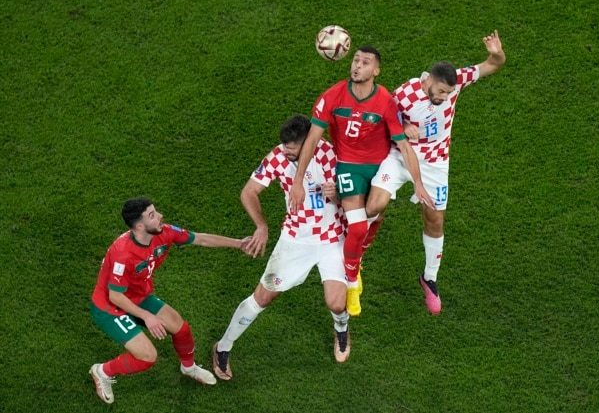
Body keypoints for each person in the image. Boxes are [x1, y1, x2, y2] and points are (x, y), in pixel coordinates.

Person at [364, 30, 506, 315]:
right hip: (401, 154)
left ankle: (429, 278)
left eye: (448, 93)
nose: (444, 97)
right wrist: (402, 129)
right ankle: (354, 257)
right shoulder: (404, 94)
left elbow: (494, 65)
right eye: (440, 91)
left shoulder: (456, 83)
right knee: (373, 206)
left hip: (435, 163)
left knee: (435, 220)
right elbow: (378, 121)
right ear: (428, 79)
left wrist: (496, 52)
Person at [288, 46, 434, 317]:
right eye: (355, 60)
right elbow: (312, 140)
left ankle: (358, 253)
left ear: (376, 71)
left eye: (365, 62)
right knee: (356, 229)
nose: (357, 66)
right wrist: (298, 181)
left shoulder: (385, 101)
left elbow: (403, 146)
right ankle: (352, 282)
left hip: (379, 169)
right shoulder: (332, 96)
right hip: (348, 167)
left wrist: (418, 182)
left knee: (374, 213)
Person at [212, 115, 351, 381]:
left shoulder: (331, 154)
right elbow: (248, 192)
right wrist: (261, 226)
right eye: (284, 145)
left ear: (309, 142)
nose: (285, 151)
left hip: (332, 237)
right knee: (262, 298)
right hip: (295, 239)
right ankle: (223, 347)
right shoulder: (277, 157)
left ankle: (342, 328)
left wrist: (339, 194)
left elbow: (359, 194)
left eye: (292, 147)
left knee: (336, 303)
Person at [88, 197, 252, 404]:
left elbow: (199, 238)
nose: (160, 216)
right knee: (147, 357)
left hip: (138, 297)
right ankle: (102, 371)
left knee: (181, 328)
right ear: (139, 226)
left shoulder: (164, 232)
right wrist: (147, 316)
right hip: (110, 307)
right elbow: (115, 296)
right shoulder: (123, 253)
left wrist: (239, 244)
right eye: (152, 215)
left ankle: (189, 367)